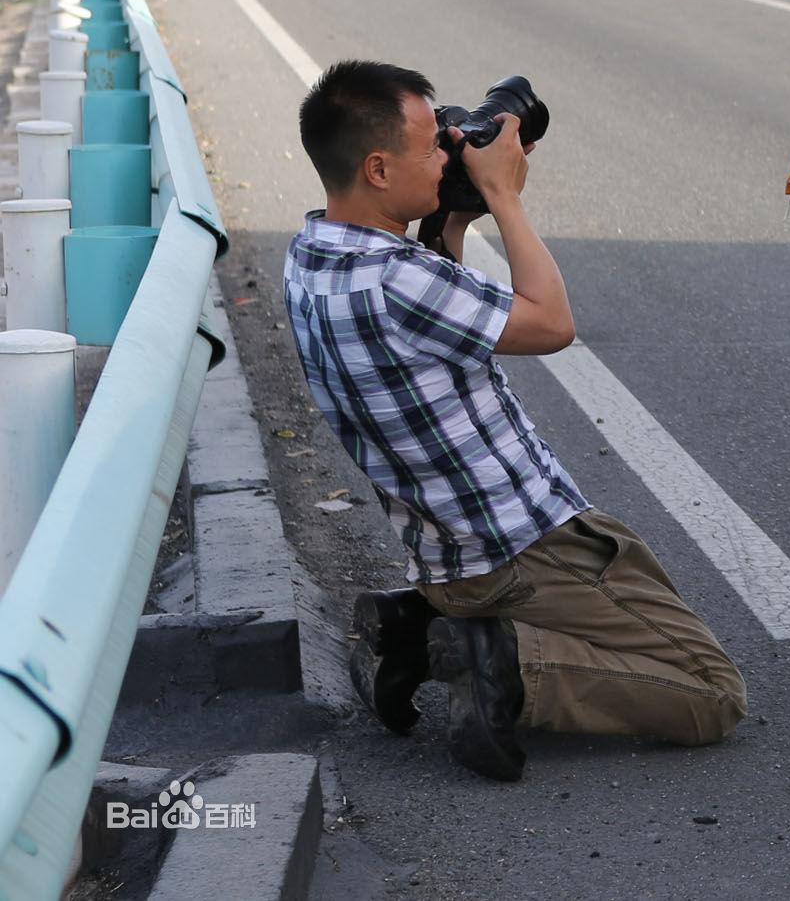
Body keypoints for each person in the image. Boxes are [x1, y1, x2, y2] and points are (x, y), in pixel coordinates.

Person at [283, 59, 746, 781]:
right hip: (524, 552)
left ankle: (417, 628)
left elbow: (428, 320)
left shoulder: (314, 258)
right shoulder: (399, 279)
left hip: (445, 557)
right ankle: (501, 662)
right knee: (711, 690)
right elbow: (552, 322)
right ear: (377, 167)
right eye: (432, 146)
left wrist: (453, 215)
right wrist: (502, 195)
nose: (448, 152)